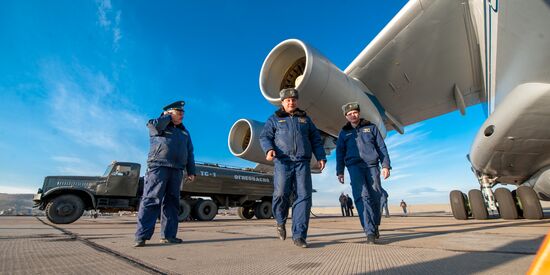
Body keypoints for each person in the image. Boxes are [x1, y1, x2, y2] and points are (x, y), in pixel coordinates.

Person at [260, 88, 327, 248]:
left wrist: (321, 156)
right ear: (282, 102)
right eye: (288, 100)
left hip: (302, 162)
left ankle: (299, 235)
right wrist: (269, 149)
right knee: (281, 193)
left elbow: (316, 139)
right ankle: (280, 220)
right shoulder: (274, 119)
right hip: (283, 162)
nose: (291, 102)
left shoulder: (305, 119)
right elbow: (265, 136)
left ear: (297, 101)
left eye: (294, 100)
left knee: (304, 197)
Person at [134, 101, 196, 247]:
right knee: (152, 199)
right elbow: (154, 126)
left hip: (177, 170)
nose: (182, 115)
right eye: (178, 112)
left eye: (183, 114)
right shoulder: (158, 125)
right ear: (168, 112)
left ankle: (168, 236)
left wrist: (191, 171)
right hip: (158, 167)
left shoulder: (185, 132)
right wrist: (166, 117)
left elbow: (190, 153)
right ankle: (141, 236)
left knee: (172, 203)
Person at [336, 102, 391, 244]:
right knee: (362, 196)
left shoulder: (371, 127)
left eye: (355, 112)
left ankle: (375, 224)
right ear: (345, 116)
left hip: (372, 166)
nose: (352, 115)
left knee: (376, 195)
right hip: (354, 167)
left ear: (359, 113)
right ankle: (369, 231)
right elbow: (340, 153)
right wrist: (340, 171)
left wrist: (386, 165)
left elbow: (381, 147)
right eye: (349, 114)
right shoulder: (344, 132)